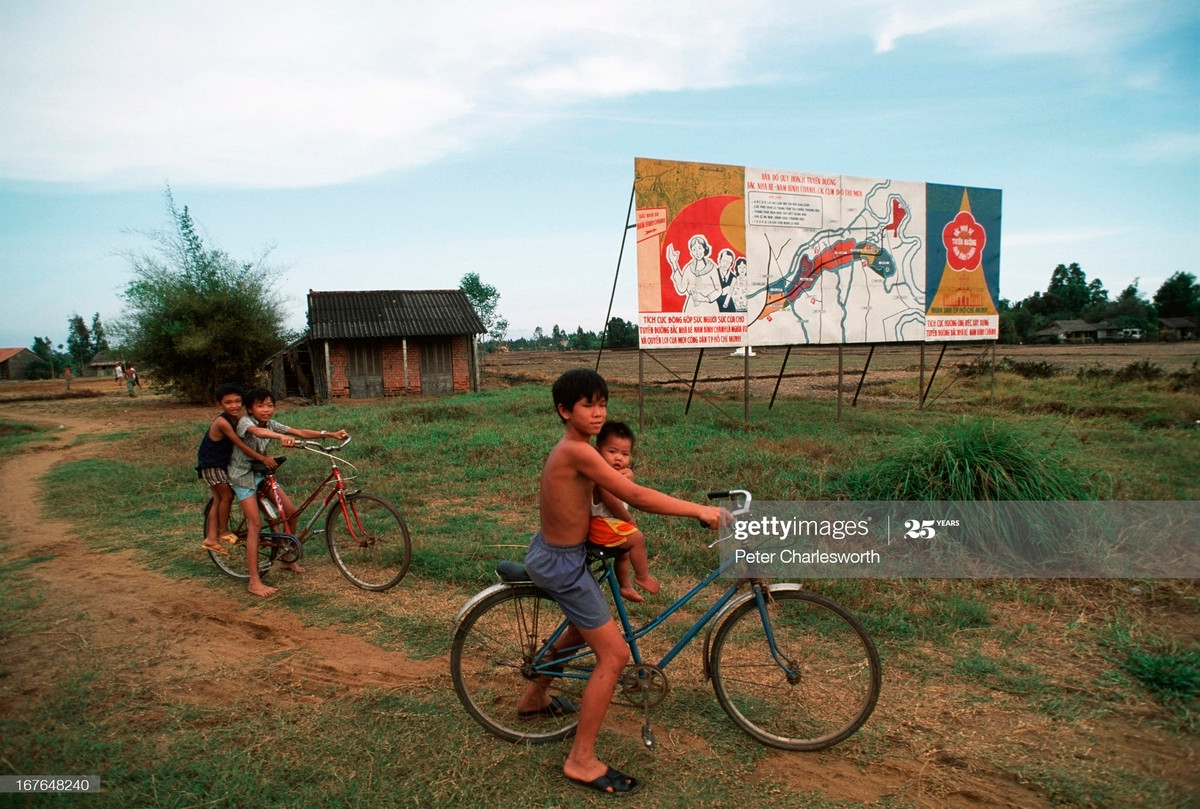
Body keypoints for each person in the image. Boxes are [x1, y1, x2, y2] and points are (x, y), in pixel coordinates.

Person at [517, 368, 724, 796]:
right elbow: (639, 498)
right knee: (613, 655)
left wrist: (616, 486)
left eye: (602, 404)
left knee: (581, 629)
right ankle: (581, 760)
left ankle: (533, 699)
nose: (597, 413)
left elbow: (604, 495)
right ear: (564, 410)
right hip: (563, 564)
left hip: (566, 555)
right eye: (587, 405)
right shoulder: (576, 450)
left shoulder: (583, 452)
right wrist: (699, 510)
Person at [227, 387, 347, 598]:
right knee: (254, 525)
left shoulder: (271, 424)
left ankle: (286, 558)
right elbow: (258, 433)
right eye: (260, 405)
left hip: (261, 472)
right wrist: (279, 438)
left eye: (270, 405)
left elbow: (298, 432)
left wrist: (329, 434)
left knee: (292, 512)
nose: (266, 410)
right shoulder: (245, 422)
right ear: (250, 409)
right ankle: (254, 581)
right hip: (242, 476)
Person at [196, 383, 280, 556]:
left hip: (220, 463)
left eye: (237, 402)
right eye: (228, 403)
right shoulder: (222, 422)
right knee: (225, 495)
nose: (234, 406)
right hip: (211, 464)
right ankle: (222, 531)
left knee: (219, 499)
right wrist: (261, 458)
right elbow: (240, 445)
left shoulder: (236, 419)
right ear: (220, 404)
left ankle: (211, 538)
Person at [588, 421, 659, 603]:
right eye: (612, 452)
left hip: (609, 523)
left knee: (624, 553)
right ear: (597, 452)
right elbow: (611, 502)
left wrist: (629, 479)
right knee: (636, 538)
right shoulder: (601, 476)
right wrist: (629, 519)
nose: (619, 458)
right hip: (600, 523)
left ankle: (625, 586)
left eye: (625, 454)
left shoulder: (617, 473)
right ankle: (642, 576)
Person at [666, 234, 721, 313]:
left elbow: (719, 290)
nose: (697, 252)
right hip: (692, 307)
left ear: (704, 249)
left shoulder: (712, 268)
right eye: (694, 249)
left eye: (699, 248)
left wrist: (705, 298)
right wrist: (674, 263)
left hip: (709, 306)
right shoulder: (689, 268)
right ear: (691, 252)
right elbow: (682, 288)